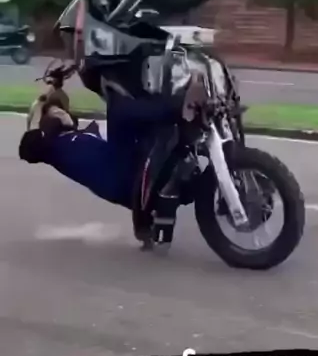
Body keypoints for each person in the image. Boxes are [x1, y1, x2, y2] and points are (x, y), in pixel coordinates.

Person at [18, 72, 208, 241]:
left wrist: (55, 85)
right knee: (119, 110)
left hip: (124, 165)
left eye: (61, 110)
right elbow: (35, 127)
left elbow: (55, 104)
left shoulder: (74, 138)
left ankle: (184, 113)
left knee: (135, 108)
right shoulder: (54, 147)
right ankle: (182, 106)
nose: (62, 111)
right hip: (122, 176)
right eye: (56, 113)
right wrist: (44, 102)